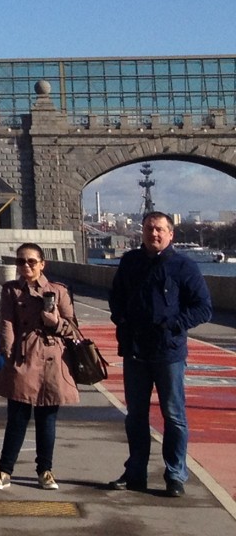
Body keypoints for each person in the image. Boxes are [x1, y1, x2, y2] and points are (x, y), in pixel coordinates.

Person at [107, 210, 213, 496]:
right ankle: (135, 473)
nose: (154, 234)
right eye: (149, 229)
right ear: (141, 232)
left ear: (170, 234)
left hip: (169, 353)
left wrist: (174, 325)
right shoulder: (130, 262)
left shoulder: (183, 266)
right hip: (135, 351)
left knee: (174, 415)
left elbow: (204, 307)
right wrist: (121, 319)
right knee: (136, 416)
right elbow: (115, 296)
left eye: (159, 230)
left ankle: (175, 475)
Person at [0, 243, 79, 491]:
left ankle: (45, 471)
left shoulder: (58, 291)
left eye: (31, 261)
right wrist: (7, 347)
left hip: (52, 359)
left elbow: (72, 329)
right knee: (17, 417)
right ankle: (4, 470)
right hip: (23, 357)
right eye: (20, 262)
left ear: (42, 264)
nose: (25, 266)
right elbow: (6, 320)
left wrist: (55, 321)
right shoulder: (11, 290)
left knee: (47, 419)